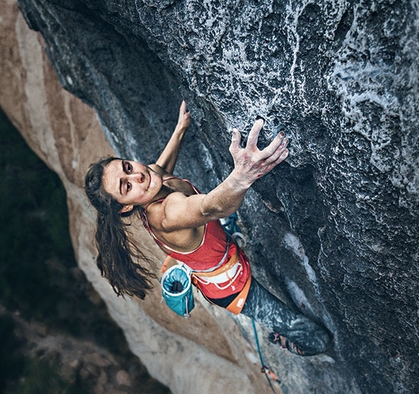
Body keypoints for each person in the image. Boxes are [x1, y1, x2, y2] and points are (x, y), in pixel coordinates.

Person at [85, 101, 332, 356]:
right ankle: (287, 341)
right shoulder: (167, 214)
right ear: (125, 208)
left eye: (127, 166)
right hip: (232, 287)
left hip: (224, 258)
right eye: (126, 187)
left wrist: (181, 128)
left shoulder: (149, 180)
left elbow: (160, 168)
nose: (137, 176)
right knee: (317, 339)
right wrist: (244, 175)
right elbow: (209, 208)